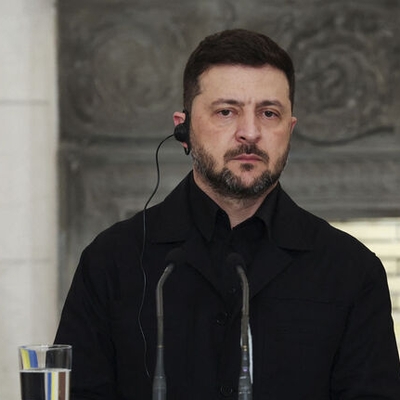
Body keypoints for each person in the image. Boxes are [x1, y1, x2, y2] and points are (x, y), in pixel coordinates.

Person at [55, 29, 400, 399]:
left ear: (289, 129)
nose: (249, 132)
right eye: (226, 112)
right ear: (183, 128)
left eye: (269, 113)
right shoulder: (111, 260)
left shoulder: (352, 270)